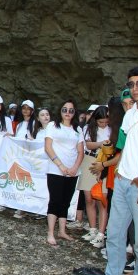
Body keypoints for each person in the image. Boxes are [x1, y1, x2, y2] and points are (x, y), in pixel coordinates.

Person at [85, 66, 138, 275]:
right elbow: (125, 150)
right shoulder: (130, 115)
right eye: (131, 84)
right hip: (124, 180)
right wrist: (111, 169)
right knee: (114, 234)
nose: (135, 88)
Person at [44, 99, 84, 246]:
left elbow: (81, 151)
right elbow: (48, 147)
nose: (67, 113)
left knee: (66, 201)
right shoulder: (53, 126)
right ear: (60, 111)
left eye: (71, 110)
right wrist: (60, 165)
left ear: (75, 113)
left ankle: (62, 231)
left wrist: (74, 168)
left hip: (72, 170)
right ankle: (50, 232)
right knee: (55, 200)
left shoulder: (77, 130)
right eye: (65, 109)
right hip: (55, 169)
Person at [78, 106, 111, 248]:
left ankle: (101, 234)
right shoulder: (88, 128)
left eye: (105, 122)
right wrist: (101, 144)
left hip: (104, 162)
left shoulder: (112, 129)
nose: (103, 124)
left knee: (102, 199)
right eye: (100, 122)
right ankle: (92, 228)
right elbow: (88, 144)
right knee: (89, 197)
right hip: (89, 161)